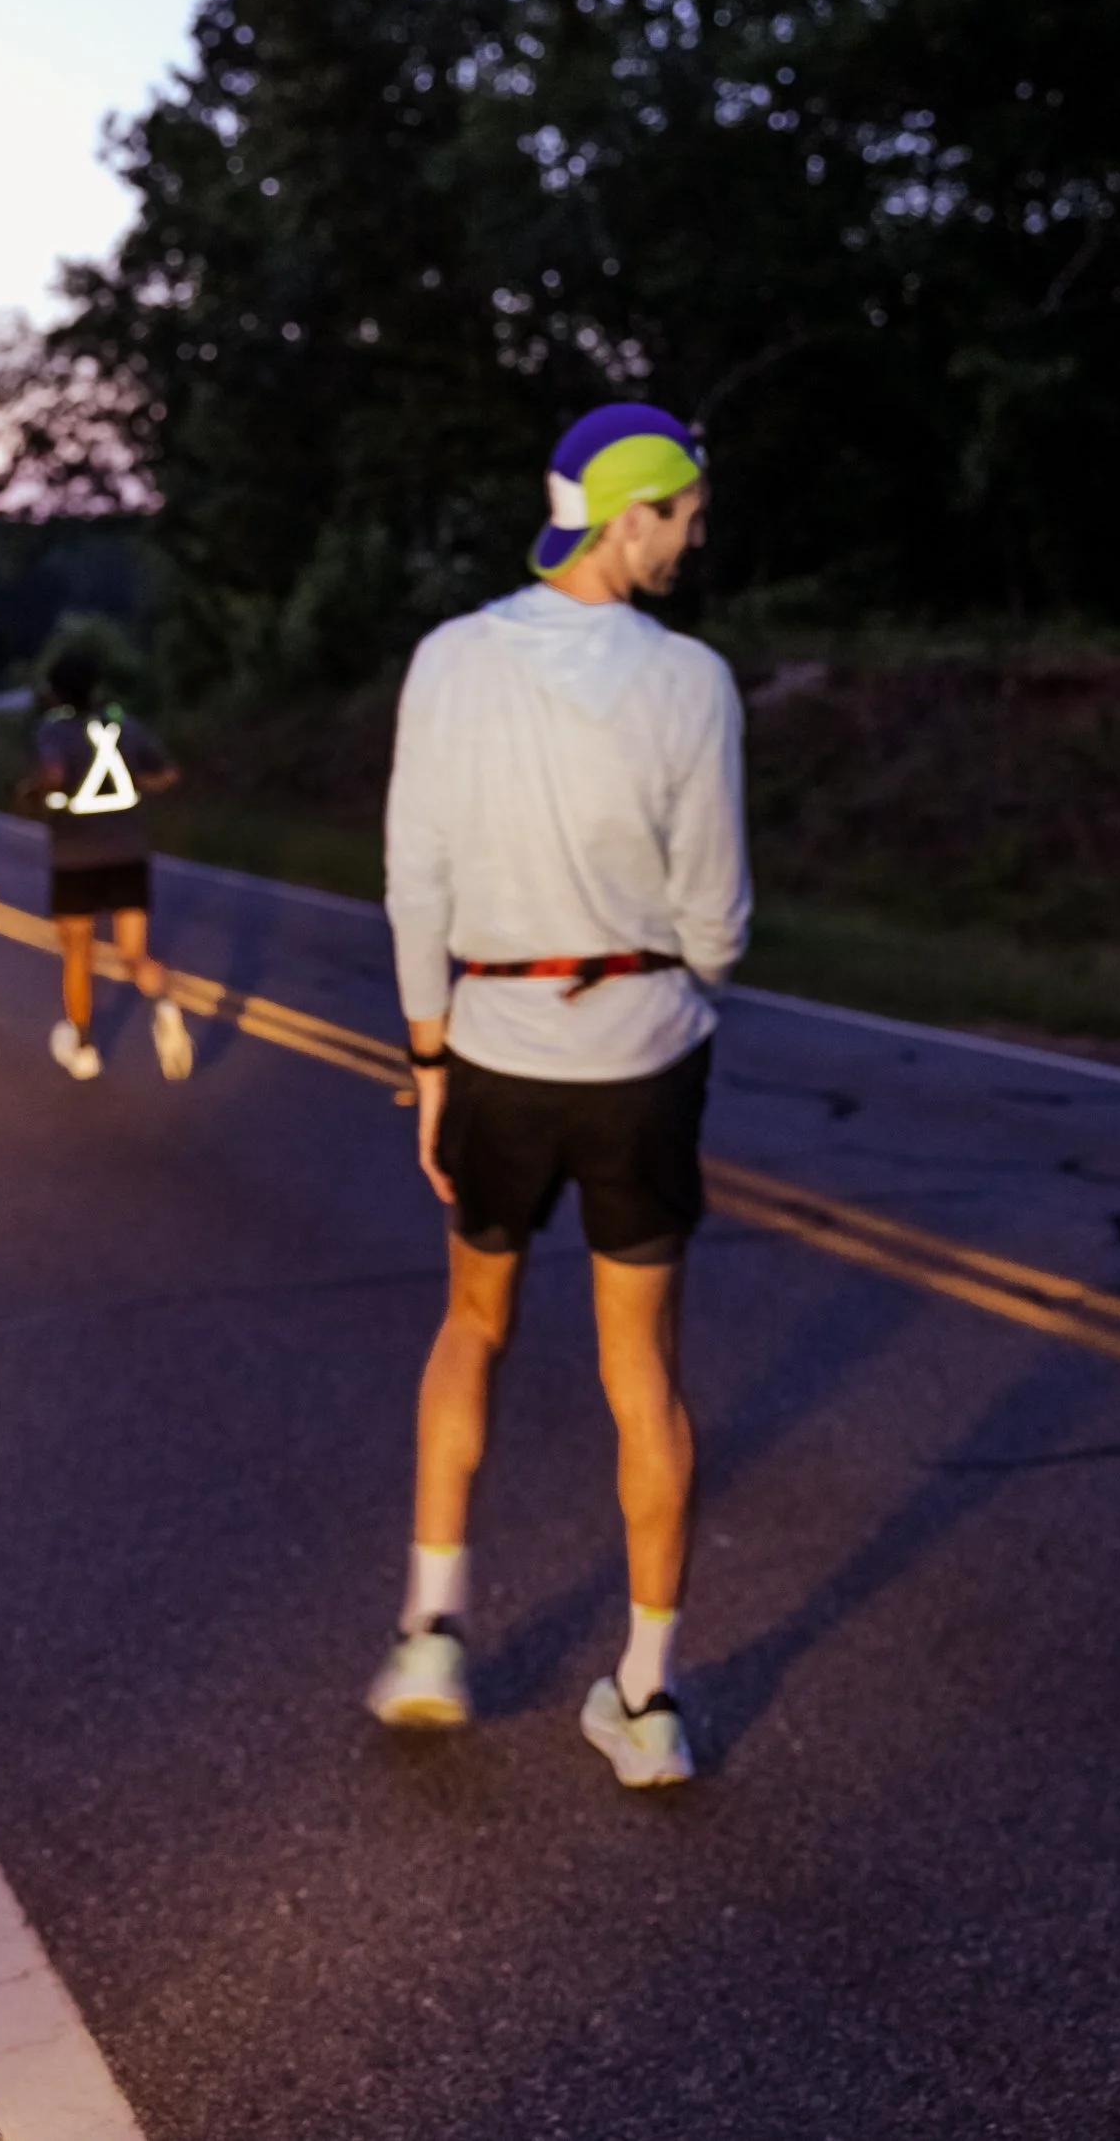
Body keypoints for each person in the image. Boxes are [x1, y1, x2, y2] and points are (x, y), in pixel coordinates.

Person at [368, 402, 750, 1788]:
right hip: (641, 1055)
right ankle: (645, 1701)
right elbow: (717, 918)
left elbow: (415, 879)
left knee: (472, 1324)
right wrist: (679, 971)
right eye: (682, 517)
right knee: (640, 1371)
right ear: (627, 516)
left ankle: (430, 1632)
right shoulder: (689, 679)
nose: (690, 540)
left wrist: (427, 1062)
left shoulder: (450, 658)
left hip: (492, 1045)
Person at [17, 649, 193, 1085]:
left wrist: (30, 792)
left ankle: (84, 1048)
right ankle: (164, 1005)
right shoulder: (125, 726)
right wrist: (137, 784)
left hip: (75, 857)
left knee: (78, 952)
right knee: (134, 954)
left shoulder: (53, 730)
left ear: (57, 691)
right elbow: (168, 773)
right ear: (95, 687)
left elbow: (54, 775)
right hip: (128, 853)